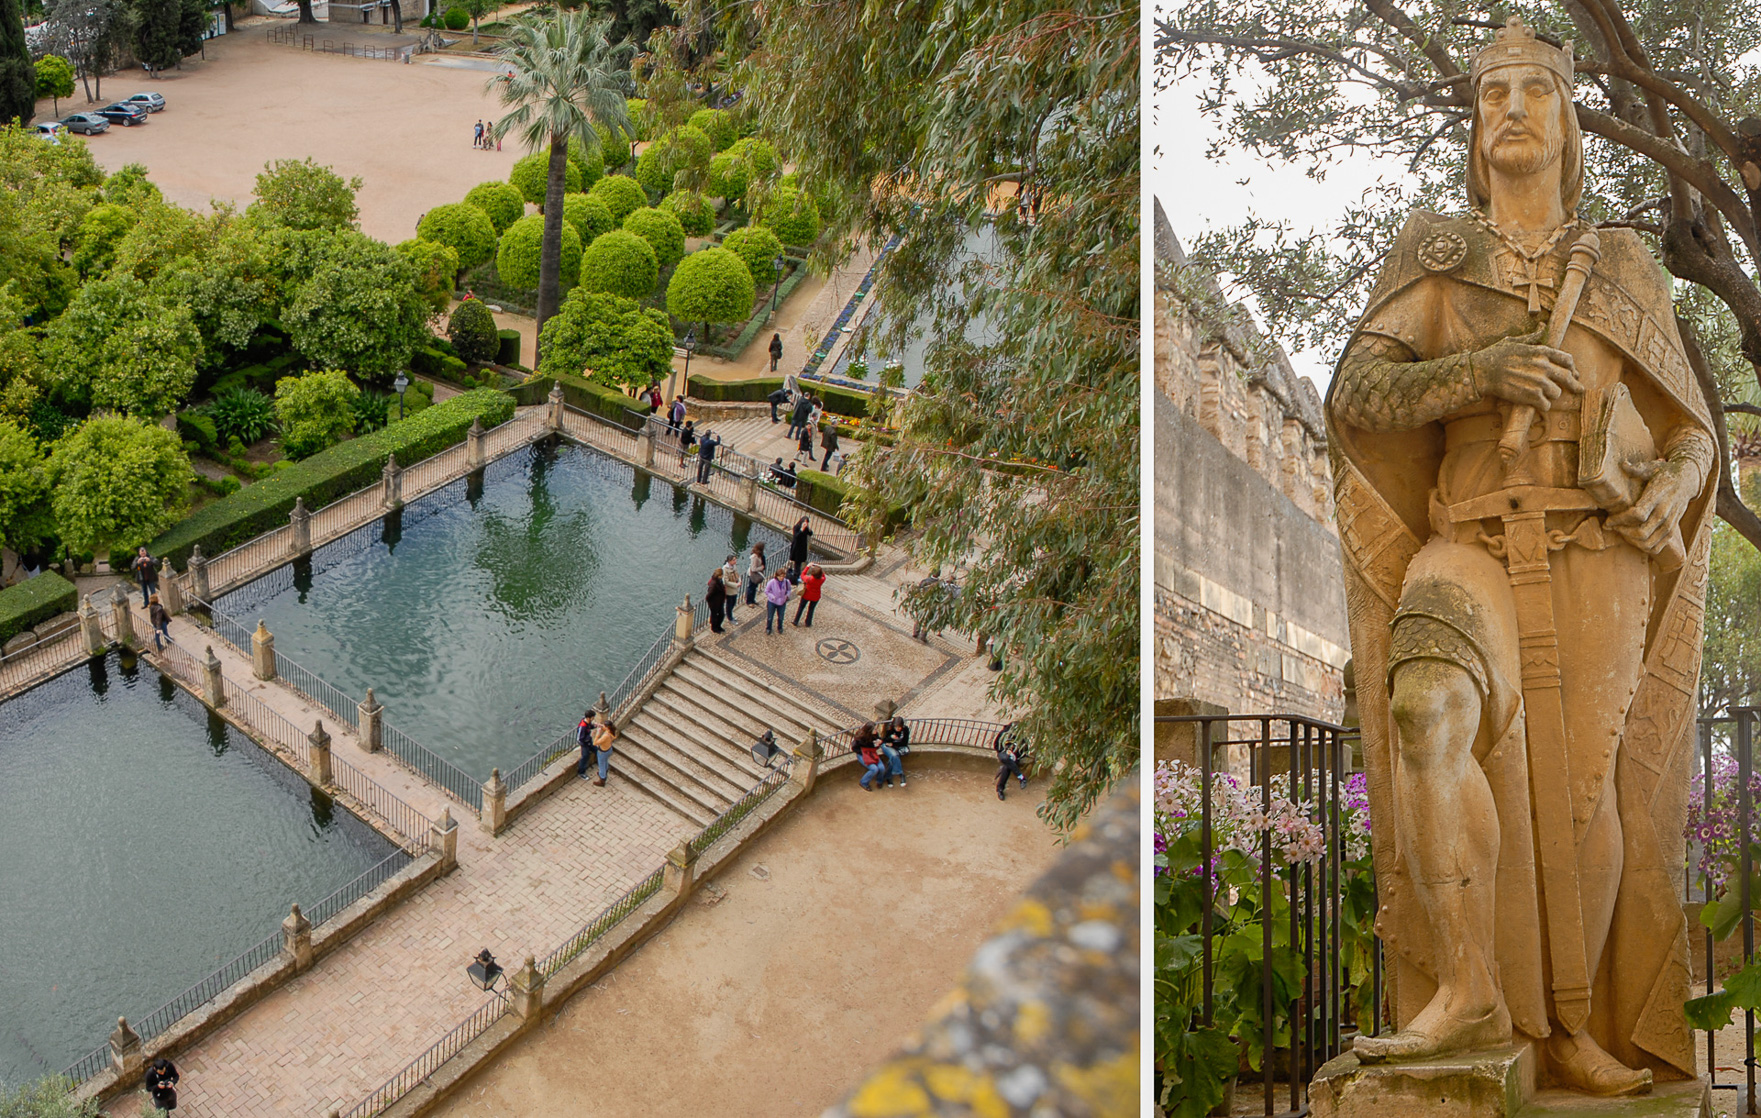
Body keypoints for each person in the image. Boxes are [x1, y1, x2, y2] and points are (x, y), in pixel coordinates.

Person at [1329, 19, 1717, 1090]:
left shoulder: (1626, 264)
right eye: (1492, 91)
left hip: (1598, 554)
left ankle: (1569, 1026)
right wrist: (1483, 371)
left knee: (1581, 797)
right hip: (1472, 542)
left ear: (1567, 123)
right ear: (1473, 124)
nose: (1509, 107)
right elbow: (1357, 399)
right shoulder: (1435, 255)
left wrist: (1676, 488)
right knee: (1426, 706)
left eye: (1532, 92)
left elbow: (1690, 432)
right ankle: (1467, 989)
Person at [994, 722, 1026, 801]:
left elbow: (1024, 750)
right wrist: (1004, 751)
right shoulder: (1004, 733)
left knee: (1007, 767)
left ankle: (1000, 789)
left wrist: (1014, 754)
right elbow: (996, 745)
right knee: (1005, 758)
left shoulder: (1021, 737)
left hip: (1014, 757)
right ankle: (1021, 777)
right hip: (1003, 754)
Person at [853, 723, 887, 791]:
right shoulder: (860, 738)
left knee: (882, 768)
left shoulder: (874, 735)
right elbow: (854, 748)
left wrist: (879, 742)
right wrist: (865, 751)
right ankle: (864, 782)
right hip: (862, 754)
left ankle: (879, 781)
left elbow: (877, 740)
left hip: (872, 753)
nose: (876, 730)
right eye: (874, 729)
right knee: (874, 769)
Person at [880, 716, 910, 787]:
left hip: (897, 746)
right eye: (896, 727)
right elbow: (884, 740)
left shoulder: (905, 730)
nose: (898, 729)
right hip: (887, 746)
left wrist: (893, 744)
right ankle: (901, 773)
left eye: (899, 727)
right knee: (894, 755)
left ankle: (888, 776)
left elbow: (904, 743)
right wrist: (890, 737)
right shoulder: (890, 729)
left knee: (893, 758)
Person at [793, 562, 824, 627]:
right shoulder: (822, 580)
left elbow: (802, 575)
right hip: (816, 596)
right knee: (811, 609)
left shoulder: (809, 579)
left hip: (806, 595)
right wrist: (819, 568)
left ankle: (796, 621)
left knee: (801, 607)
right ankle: (808, 622)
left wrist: (808, 566)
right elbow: (823, 575)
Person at [590, 718, 617, 785]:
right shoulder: (612, 732)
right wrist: (599, 725)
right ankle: (605, 770)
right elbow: (604, 727)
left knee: (601, 765)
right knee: (605, 761)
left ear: (607, 728)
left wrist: (597, 734)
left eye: (604, 726)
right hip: (609, 749)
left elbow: (595, 743)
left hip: (602, 752)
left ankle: (602, 778)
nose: (603, 726)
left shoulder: (605, 736)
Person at [764, 568, 791, 634]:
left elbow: (789, 590)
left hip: (782, 602)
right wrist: (772, 596)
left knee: (781, 617)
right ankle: (768, 628)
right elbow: (767, 591)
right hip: (772, 602)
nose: (781, 578)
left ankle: (780, 627)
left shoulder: (786, 582)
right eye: (780, 576)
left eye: (783, 576)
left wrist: (787, 596)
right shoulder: (771, 582)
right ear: (777, 576)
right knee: (770, 617)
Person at [788, 517, 813, 582]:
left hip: (802, 547)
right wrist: (801, 529)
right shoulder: (796, 527)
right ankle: (796, 576)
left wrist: (809, 529)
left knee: (800, 562)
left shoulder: (806, 528)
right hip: (797, 547)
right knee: (797, 562)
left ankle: (797, 575)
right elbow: (796, 536)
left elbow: (810, 533)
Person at [575, 710, 598, 779]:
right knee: (585, 756)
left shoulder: (587, 722)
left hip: (589, 742)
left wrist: (595, 726)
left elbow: (590, 726)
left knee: (597, 750)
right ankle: (581, 772)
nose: (593, 719)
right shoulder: (583, 726)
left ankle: (599, 762)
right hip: (584, 744)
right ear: (588, 718)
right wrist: (590, 736)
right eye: (592, 717)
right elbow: (580, 739)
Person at [704, 568, 727, 634]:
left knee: (721, 614)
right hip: (715, 603)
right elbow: (709, 595)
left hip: (720, 602)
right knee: (715, 615)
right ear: (719, 575)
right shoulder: (714, 583)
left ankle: (718, 626)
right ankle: (714, 628)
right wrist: (711, 602)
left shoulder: (719, 581)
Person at [720, 554, 741, 623]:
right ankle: (730, 617)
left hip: (735, 587)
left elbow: (737, 574)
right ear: (729, 561)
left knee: (734, 602)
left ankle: (729, 614)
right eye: (733, 560)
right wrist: (736, 585)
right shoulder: (725, 569)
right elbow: (726, 581)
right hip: (729, 590)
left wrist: (739, 580)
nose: (735, 561)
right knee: (730, 604)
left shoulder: (734, 566)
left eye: (735, 559)